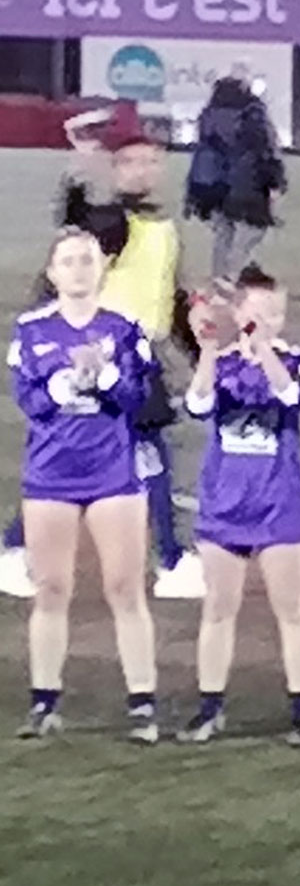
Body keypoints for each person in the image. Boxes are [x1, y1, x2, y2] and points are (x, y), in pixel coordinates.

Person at [0, 130, 205, 603]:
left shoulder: (159, 226)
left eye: (151, 161)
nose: (143, 170)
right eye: (131, 162)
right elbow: (80, 233)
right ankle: (170, 559)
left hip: (138, 355)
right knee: (143, 456)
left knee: (127, 456)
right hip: (107, 356)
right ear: (117, 170)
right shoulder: (114, 222)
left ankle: (16, 550)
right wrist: (76, 183)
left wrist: (195, 352)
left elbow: (167, 298)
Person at [11, 229, 159, 742]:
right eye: (68, 261)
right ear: (52, 273)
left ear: (102, 270)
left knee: (124, 588)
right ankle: (44, 703)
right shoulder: (30, 331)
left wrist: (107, 380)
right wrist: (65, 384)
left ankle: (143, 703)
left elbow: (142, 400)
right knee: (51, 589)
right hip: (51, 474)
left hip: (113, 473)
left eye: (86, 261)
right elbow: (28, 401)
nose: (77, 269)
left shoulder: (124, 329)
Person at [176, 265, 300, 747]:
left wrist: (263, 350)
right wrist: (209, 350)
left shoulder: (296, 360)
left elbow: (290, 396)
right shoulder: (222, 362)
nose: (267, 321)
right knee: (218, 610)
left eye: (275, 313)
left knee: (292, 610)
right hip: (224, 505)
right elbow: (197, 406)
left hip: (279, 505)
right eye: (257, 313)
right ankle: (209, 709)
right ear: (238, 312)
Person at [185, 75, 287, 279]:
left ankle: (219, 279)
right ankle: (234, 275)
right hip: (246, 183)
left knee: (223, 233)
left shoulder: (208, 117)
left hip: (210, 186)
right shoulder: (252, 115)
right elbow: (264, 151)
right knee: (254, 231)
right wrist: (276, 180)